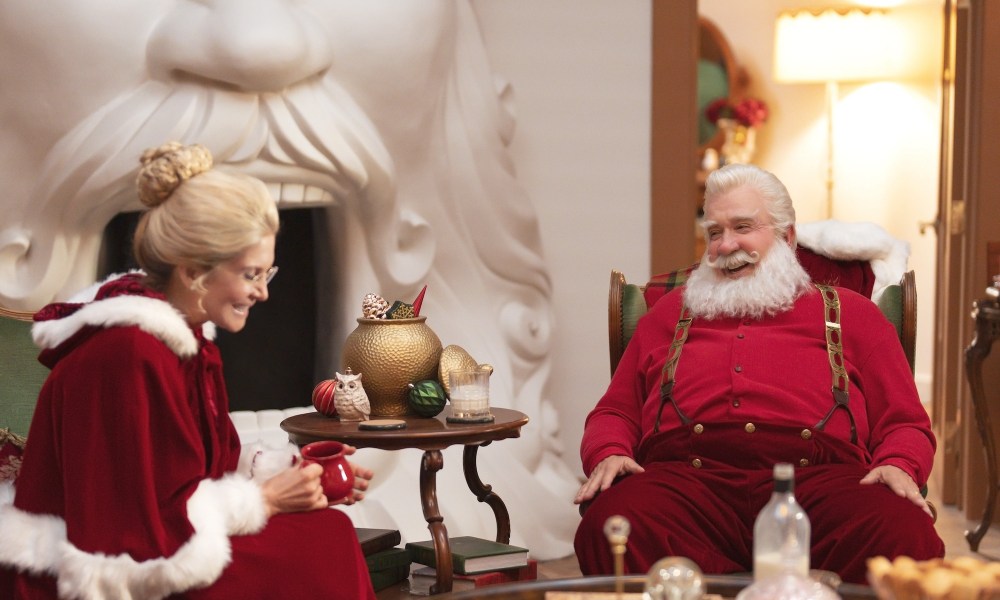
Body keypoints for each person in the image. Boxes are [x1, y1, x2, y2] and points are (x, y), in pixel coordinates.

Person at [0, 142, 376, 599]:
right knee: (322, 545)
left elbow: (197, 467)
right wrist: (266, 500)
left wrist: (294, 475)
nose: (263, 293)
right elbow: (132, 532)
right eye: (250, 275)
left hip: (157, 545)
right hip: (98, 574)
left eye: (267, 274)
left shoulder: (184, 340)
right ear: (193, 271)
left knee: (324, 529)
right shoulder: (128, 353)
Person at [573, 163, 944, 584]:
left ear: (787, 237)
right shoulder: (669, 313)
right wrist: (609, 452)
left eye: (743, 227)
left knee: (904, 534)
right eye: (714, 233)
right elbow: (614, 412)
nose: (727, 245)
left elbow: (906, 422)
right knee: (609, 528)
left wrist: (899, 462)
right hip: (686, 485)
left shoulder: (851, 313)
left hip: (822, 485)